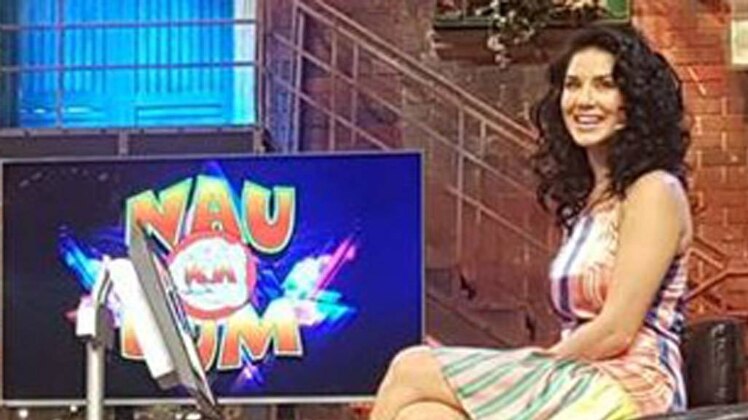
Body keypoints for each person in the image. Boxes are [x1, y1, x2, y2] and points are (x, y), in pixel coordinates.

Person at [370, 25, 691, 420]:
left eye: (604, 85)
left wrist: (532, 364)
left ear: (634, 101)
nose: (584, 100)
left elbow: (616, 330)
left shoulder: (654, 191)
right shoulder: (591, 203)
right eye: (573, 85)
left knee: (411, 366)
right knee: (422, 414)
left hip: (630, 383)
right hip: (578, 373)